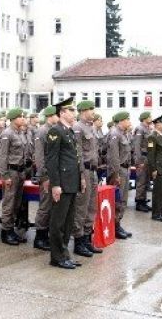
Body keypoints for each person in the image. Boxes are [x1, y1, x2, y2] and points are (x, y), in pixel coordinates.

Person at [45, 98, 83, 270]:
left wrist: (80, 178)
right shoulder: (55, 132)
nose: (74, 113)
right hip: (62, 183)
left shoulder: (69, 132)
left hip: (72, 182)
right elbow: (52, 161)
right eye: (71, 110)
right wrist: (55, 185)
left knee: (68, 222)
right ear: (62, 113)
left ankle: (65, 253)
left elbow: (74, 159)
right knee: (58, 222)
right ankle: (57, 257)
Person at [71, 101, 102, 257]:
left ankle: (87, 239)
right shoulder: (77, 128)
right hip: (84, 171)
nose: (93, 112)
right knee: (81, 207)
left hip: (93, 171)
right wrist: (81, 174)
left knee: (91, 207)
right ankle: (78, 241)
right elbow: (78, 154)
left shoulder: (91, 127)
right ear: (83, 111)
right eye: (91, 109)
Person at [0, 107, 32, 246]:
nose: (23, 118)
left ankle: (11, 228)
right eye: (20, 116)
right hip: (11, 172)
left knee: (16, 203)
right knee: (9, 203)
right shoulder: (7, 134)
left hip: (20, 172)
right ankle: (6, 231)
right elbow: (2, 156)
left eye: (23, 116)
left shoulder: (21, 133)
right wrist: (5, 175)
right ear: (13, 118)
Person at [32, 105, 58, 251]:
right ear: (50, 116)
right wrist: (44, 176)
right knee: (45, 207)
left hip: (54, 174)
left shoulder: (53, 130)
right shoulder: (42, 131)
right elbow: (40, 157)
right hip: (46, 175)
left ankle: (46, 234)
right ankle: (39, 237)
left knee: (52, 206)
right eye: (56, 115)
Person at [107, 111, 134, 239]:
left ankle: (118, 223)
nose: (129, 121)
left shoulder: (125, 134)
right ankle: (114, 226)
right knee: (117, 200)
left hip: (126, 169)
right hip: (118, 171)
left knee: (123, 199)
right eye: (127, 119)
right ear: (121, 121)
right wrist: (116, 174)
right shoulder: (115, 134)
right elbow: (114, 157)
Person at [146, 115, 162, 222]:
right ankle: (156, 214)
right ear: (157, 124)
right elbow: (151, 155)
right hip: (158, 169)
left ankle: (161, 212)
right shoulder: (152, 136)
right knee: (157, 192)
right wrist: (153, 169)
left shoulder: (161, 136)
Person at [132, 112, 153, 212]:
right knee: (141, 181)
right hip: (142, 158)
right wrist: (138, 160)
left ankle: (143, 200)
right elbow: (137, 146)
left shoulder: (147, 128)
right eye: (149, 117)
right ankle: (139, 202)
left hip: (147, 157)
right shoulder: (140, 129)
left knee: (146, 181)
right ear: (145, 118)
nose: (151, 118)